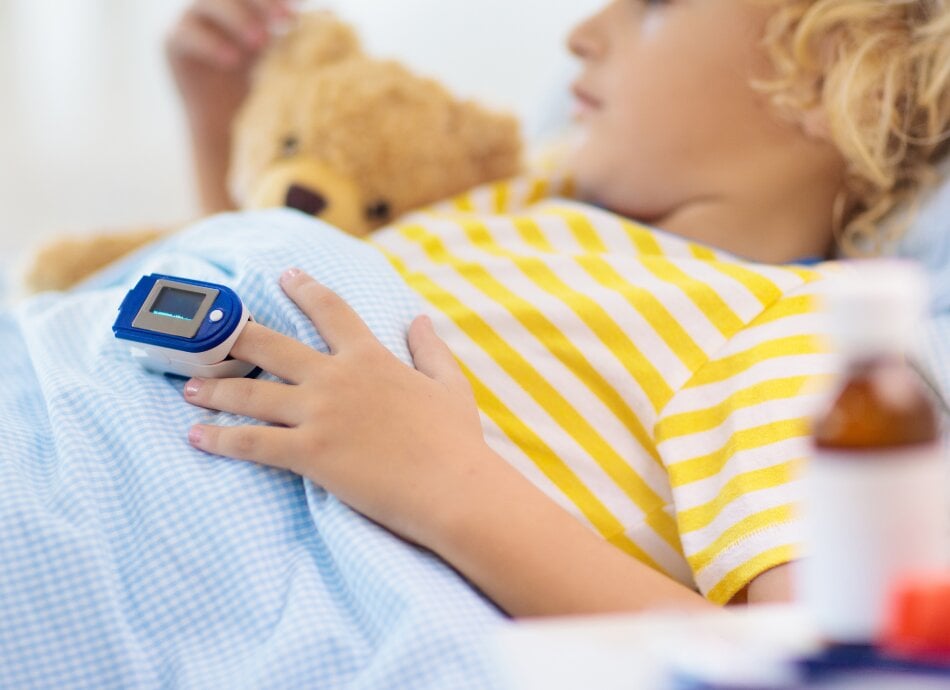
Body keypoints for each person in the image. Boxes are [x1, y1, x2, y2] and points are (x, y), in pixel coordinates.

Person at [166, 0, 950, 616]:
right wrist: (219, 125)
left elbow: (804, 665)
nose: (581, 34)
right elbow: (274, 332)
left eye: (653, 1)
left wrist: (447, 483)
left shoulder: (789, 334)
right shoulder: (527, 193)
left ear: (832, 71)